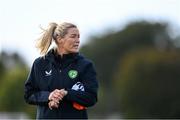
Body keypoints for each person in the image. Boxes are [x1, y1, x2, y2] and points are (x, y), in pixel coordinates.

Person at [24, 22, 99, 119]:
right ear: (59, 39)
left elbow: (91, 97)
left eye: (78, 37)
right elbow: (29, 94)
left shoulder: (85, 65)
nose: (78, 40)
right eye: (73, 36)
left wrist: (66, 93)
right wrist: (49, 96)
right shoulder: (40, 64)